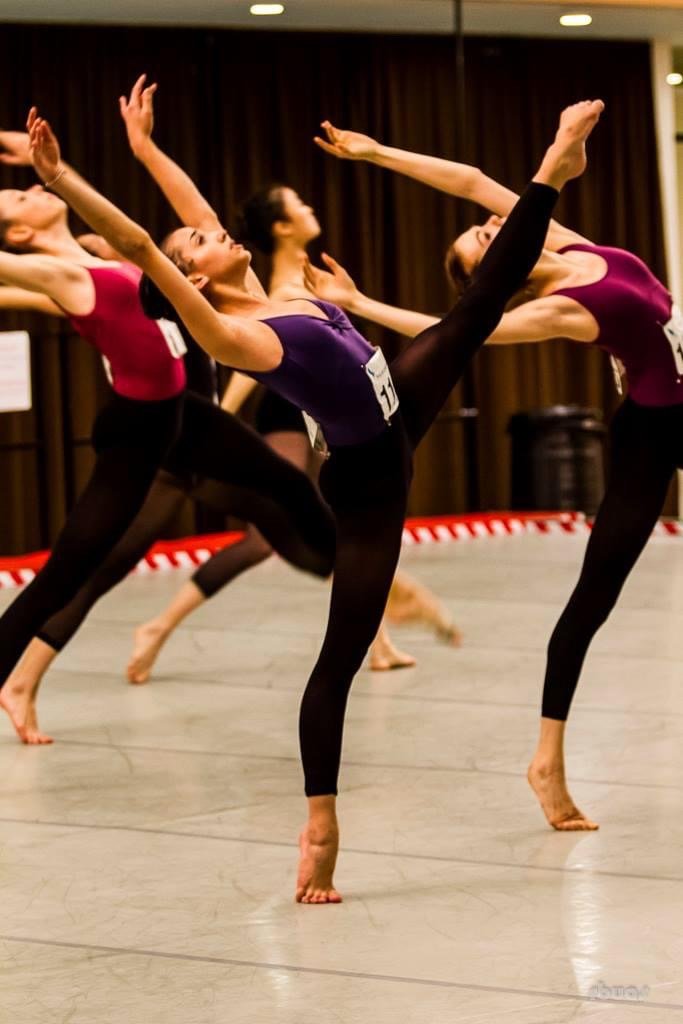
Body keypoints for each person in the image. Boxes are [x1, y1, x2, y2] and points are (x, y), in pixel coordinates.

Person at [28, 98, 602, 901]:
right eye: (199, 242)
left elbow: (188, 217)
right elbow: (139, 246)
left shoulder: (266, 286)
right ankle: (321, 825)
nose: (213, 229)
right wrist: (63, 178)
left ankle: (551, 166)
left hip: (399, 404)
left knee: (472, 313)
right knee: (340, 656)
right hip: (366, 479)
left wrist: (146, 147)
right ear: (192, 278)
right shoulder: (236, 336)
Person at [312, 112, 679, 834]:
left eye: (485, 227)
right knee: (594, 594)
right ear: (490, 271)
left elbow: (470, 179)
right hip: (651, 431)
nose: (488, 224)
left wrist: (375, 150)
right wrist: (358, 305)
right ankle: (546, 759)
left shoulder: (575, 245)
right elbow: (452, 331)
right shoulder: (561, 311)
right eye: (479, 239)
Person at [0, 128, 335, 746]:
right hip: (138, 434)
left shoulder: (107, 253)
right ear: (19, 233)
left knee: (284, 481)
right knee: (70, 571)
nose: (26, 192)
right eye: (16, 200)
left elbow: (156, 231)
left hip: (186, 416)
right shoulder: (62, 273)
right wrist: (57, 173)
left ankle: (352, 564)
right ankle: (14, 680)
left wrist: (68, 164)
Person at [121, 76, 457, 683]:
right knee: (278, 531)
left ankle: (373, 635)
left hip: (329, 396)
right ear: (278, 226)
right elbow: (241, 338)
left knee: (324, 527)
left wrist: (146, 149)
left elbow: (200, 222)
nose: (309, 208)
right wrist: (225, 414)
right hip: (294, 402)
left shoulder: (263, 265)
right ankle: (161, 625)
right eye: (296, 205)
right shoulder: (248, 279)